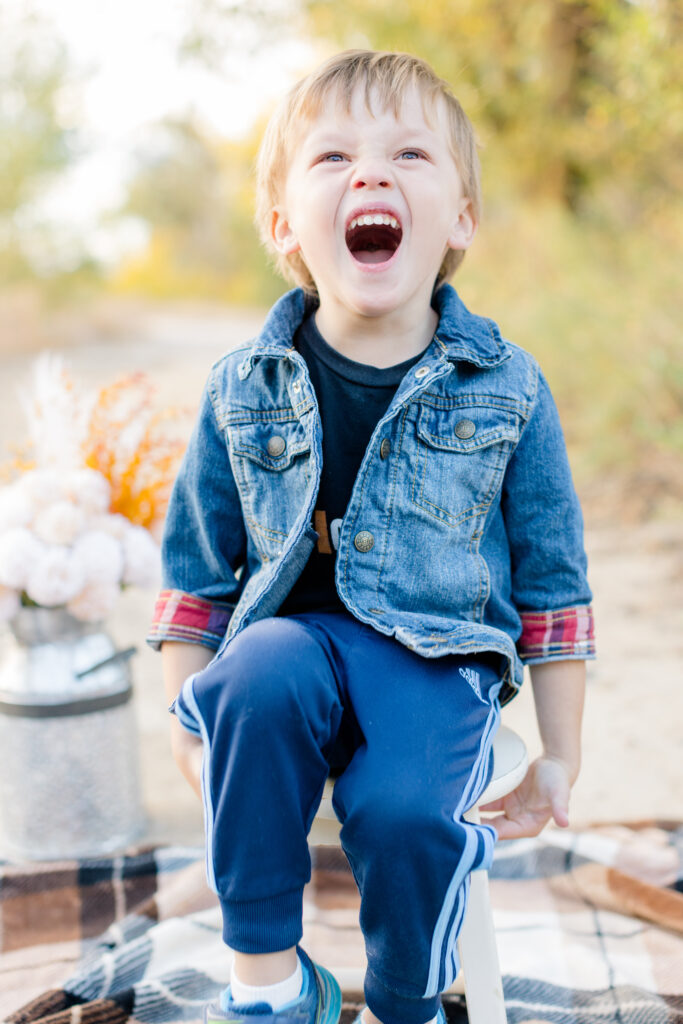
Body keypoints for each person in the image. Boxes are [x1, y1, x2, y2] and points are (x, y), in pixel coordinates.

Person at [147, 49, 595, 1024]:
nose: (370, 174)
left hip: (438, 662)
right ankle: (268, 983)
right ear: (283, 227)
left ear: (460, 221)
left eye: (407, 154)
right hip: (291, 646)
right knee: (252, 668)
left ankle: (405, 997)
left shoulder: (507, 387)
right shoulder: (242, 385)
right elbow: (196, 574)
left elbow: (555, 590)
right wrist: (190, 710)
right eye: (332, 157)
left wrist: (558, 756)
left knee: (402, 810)